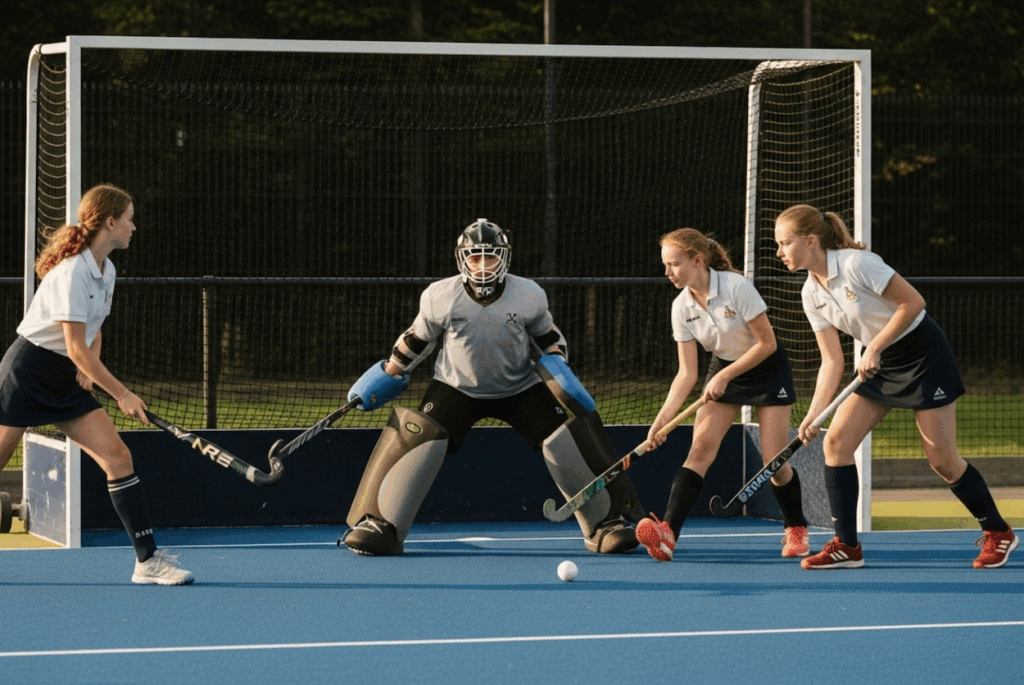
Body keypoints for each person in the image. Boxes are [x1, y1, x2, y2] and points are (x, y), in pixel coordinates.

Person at [340, 218, 644, 556]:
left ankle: (606, 523)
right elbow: (416, 340)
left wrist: (558, 365)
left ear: (504, 257)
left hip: (521, 388)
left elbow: (549, 338)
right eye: (475, 257)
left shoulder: (528, 294)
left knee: (567, 435)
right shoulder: (440, 296)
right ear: (463, 260)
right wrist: (388, 374)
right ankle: (380, 525)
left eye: (491, 256)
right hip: (456, 388)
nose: (483, 264)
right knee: (415, 432)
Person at [774, 204, 1017, 570]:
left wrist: (874, 346)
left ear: (810, 241)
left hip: (922, 356)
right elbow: (832, 360)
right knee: (835, 443)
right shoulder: (811, 292)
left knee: (942, 460)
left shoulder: (857, 264)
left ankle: (999, 532)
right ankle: (847, 547)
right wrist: (814, 414)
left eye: (785, 243)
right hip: (880, 363)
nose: (779, 252)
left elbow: (913, 302)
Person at [0, 184, 193, 585]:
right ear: (110, 222)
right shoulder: (72, 272)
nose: (133, 227)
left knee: (118, 457)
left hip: (65, 377)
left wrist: (91, 370)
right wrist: (122, 393)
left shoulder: (107, 271)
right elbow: (74, 345)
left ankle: (148, 563)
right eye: (129, 219)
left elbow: (93, 330)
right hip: (27, 372)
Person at [635, 228, 808, 562]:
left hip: (766, 369)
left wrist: (726, 375)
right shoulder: (680, 307)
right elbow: (687, 373)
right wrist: (662, 420)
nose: (667, 272)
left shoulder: (736, 287)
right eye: (665, 265)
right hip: (724, 368)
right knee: (700, 449)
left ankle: (796, 527)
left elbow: (767, 343)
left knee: (774, 461)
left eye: (674, 264)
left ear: (697, 260)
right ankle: (668, 533)